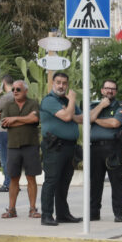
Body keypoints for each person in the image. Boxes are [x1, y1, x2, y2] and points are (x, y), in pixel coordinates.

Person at [39, 72, 83, 226]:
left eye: (64, 83)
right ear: (53, 83)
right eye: (58, 82)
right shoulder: (49, 101)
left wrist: (69, 110)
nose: (61, 86)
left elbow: (81, 118)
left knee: (64, 182)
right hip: (55, 146)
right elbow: (66, 117)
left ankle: (63, 214)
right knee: (51, 181)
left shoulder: (66, 101)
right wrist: (71, 103)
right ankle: (46, 215)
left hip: (70, 147)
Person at [0, 80, 41, 219]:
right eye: (14, 90)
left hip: (31, 145)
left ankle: (33, 209)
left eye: (18, 89)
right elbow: (5, 123)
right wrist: (25, 119)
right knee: (13, 178)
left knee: (31, 178)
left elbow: (34, 119)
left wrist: (15, 119)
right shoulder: (8, 105)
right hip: (13, 146)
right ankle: (11, 209)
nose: (15, 91)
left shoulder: (33, 103)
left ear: (25, 91)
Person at [88, 80, 122, 222]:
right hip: (95, 148)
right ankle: (93, 213)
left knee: (116, 182)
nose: (109, 91)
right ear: (102, 90)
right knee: (94, 183)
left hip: (114, 148)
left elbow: (114, 123)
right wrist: (101, 106)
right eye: (107, 88)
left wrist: (95, 119)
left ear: (116, 91)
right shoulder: (93, 105)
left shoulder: (121, 106)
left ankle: (119, 213)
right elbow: (87, 118)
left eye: (113, 89)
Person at [0, 75, 14, 192]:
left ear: (3, 84)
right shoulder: (18, 96)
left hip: (3, 132)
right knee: (13, 158)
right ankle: (14, 185)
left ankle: (7, 184)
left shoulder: (6, 97)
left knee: (5, 159)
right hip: (15, 131)